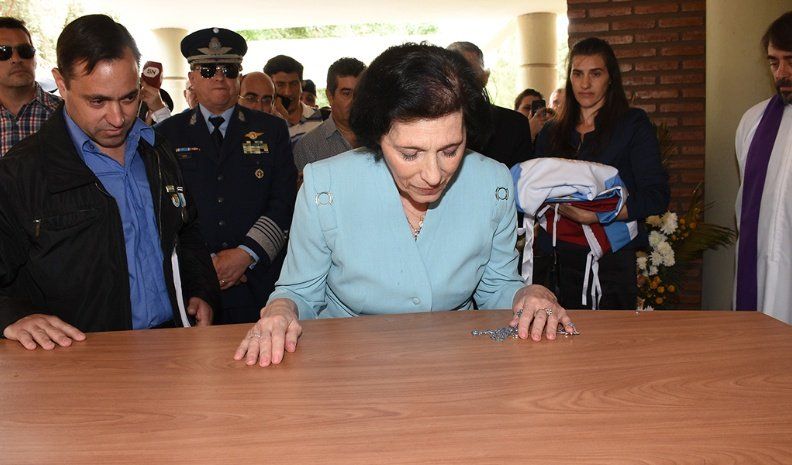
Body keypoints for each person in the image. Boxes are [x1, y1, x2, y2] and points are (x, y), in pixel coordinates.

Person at [234, 43, 575, 367]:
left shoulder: (492, 183)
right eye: (410, 154)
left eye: (450, 150)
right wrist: (281, 309)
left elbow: (496, 285)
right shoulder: (326, 187)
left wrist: (527, 295)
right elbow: (300, 291)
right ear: (377, 136)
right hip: (347, 363)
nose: (432, 174)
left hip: (459, 359)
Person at [0, 14, 220, 350]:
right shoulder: (22, 173)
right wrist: (11, 316)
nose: (118, 119)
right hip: (79, 359)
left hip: (173, 346)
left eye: (129, 98)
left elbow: (186, 229)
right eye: (97, 101)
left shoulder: (157, 149)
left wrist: (199, 289)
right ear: (61, 83)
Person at [156, 28, 297, 324]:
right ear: (192, 79)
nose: (219, 77)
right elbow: (165, 207)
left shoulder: (272, 130)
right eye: (208, 70)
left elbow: (284, 200)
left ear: (239, 78)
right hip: (195, 288)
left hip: (258, 281)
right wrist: (202, 266)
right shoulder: (167, 134)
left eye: (229, 69)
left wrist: (246, 253)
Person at [532, 37, 669, 310]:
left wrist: (599, 214)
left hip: (610, 265)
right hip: (555, 262)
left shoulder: (632, 125)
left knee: (609, 349)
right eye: (577, 74)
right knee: (552, 348)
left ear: (610, 78)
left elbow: (657, 196)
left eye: (595, 74)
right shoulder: (551, 132)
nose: (585, 84)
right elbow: (534, 188)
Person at [734, 11, 792, 324]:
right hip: (762, 274)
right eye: (773, 62)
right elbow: (746, 205)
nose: (781, 73)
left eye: (790, 60)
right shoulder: (753, 123)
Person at [447, 41, 533, 168]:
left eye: (470, 75)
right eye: (459, 74)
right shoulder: (430, 125)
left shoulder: (514, 125)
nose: (464, 83)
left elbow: (521, 181)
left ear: (485, 77)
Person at [0, 16, 61, 157]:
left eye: (25, 51)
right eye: (3, 52)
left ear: (35, 59)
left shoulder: (66, 114)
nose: (16, 59)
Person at [292, 57, 366, 172]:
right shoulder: (309, 146)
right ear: (330, 96)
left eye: (360, 93)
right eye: (346, 93)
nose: (354, 101)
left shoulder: (381, 138)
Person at [264, 55, 322, 145]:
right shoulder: (259, 123)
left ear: (301, 85)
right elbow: (253, 154)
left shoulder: (320, 118)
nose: (288, 92)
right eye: (280, 85)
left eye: (293, 84)